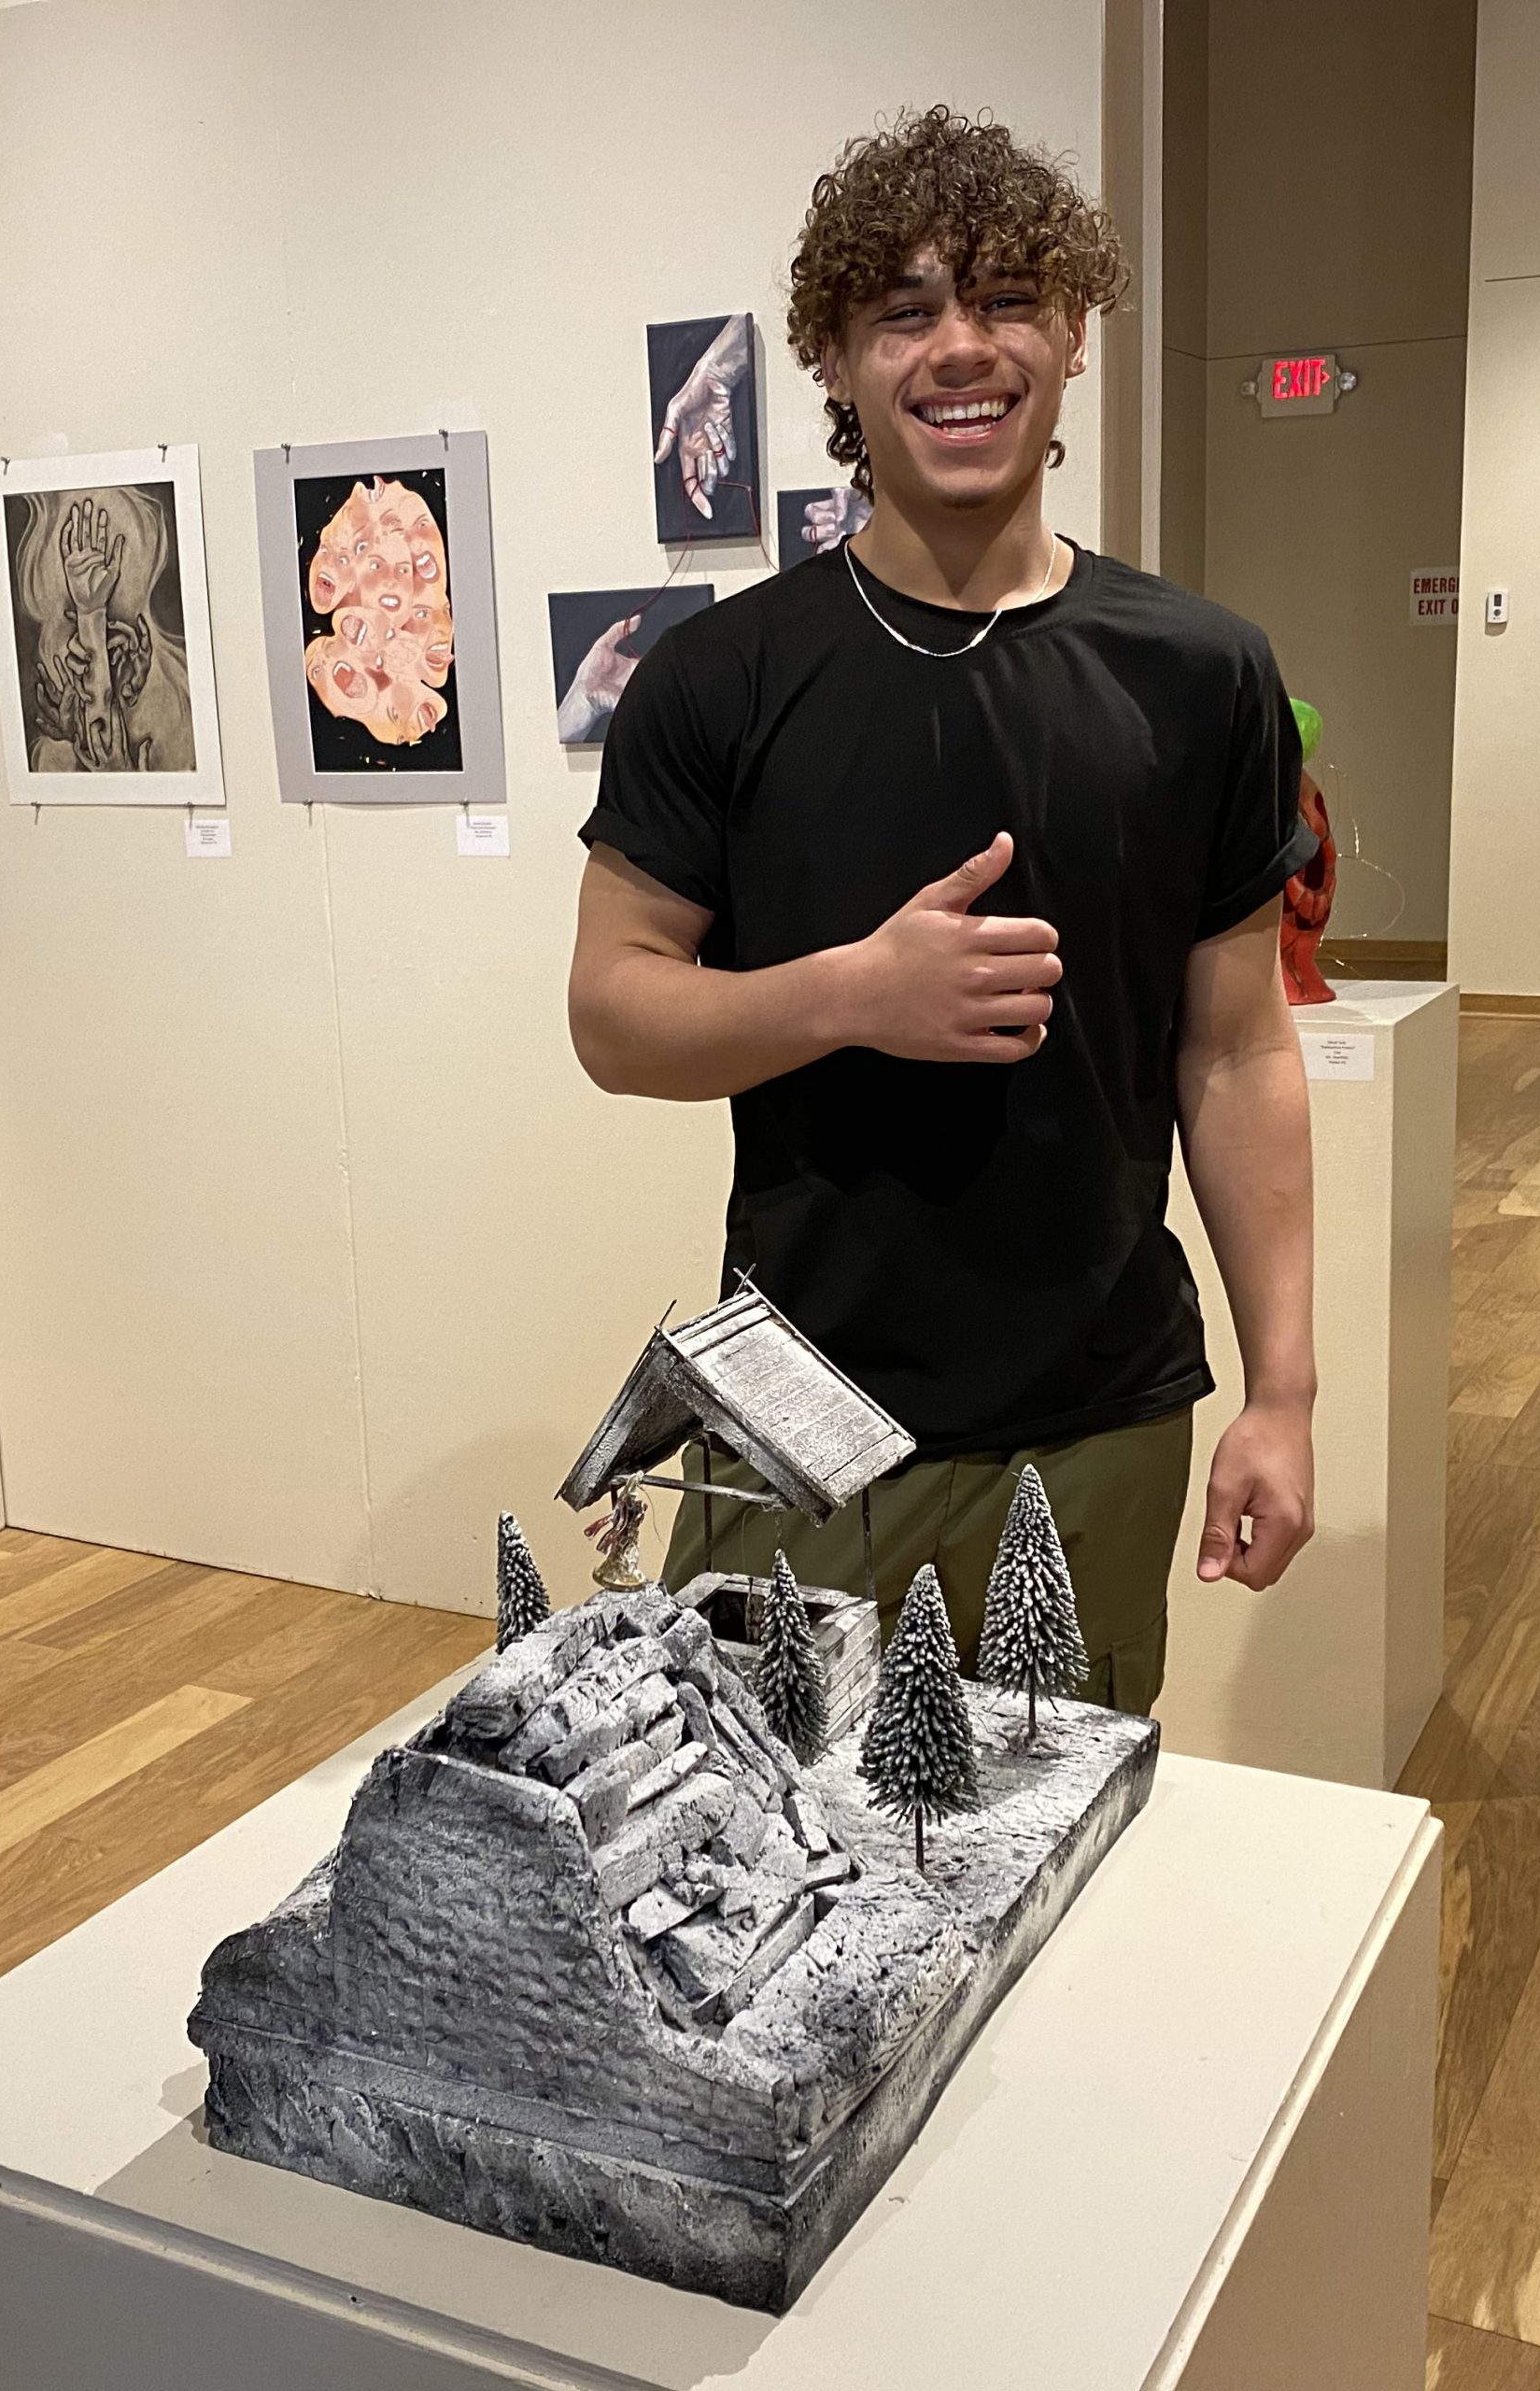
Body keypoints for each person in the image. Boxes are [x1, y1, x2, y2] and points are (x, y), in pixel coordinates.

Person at [566, 107, 1318, 1713]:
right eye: (904, 310)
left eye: (1008, 301)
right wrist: (846, 995)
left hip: (1101, 1411)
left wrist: (1286, 1394)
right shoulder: (719, 678)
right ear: (835, 356)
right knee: (788, 1863)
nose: (959, 349)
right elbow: (612, 1017)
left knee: (1055, 1853)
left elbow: (1240, 1055)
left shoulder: (1200, 673)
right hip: (804, 1411)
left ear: (1076, 334)